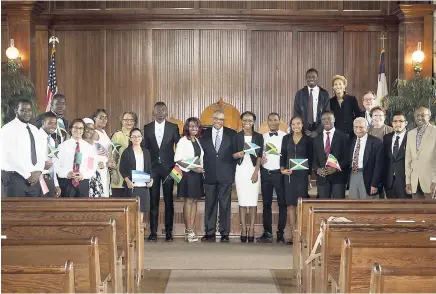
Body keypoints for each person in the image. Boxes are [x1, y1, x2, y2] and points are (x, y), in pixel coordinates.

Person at [143, 102, 181, 241]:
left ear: (166, 112)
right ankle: (153, 232)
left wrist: (178, 167)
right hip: (152, 169)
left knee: (168, 200)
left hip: (169, 168)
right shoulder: (147, 128)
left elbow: (180, 147)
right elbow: (145, 149)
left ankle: (169, 232)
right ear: (153, 111)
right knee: (153, 201)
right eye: (158, 110)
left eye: (163, 110)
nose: (160, 112)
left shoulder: (173, 127)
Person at [200, 109, 236, 243]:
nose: (219, 121)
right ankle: (209, 233)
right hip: (208, 174)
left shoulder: (232, 134)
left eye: (222, 119)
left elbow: (235, 155)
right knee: (210, 205)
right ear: (212, 119)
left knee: (225, 205)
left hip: (225, 175)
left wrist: (233, 175)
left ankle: (225, 233)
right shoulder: (203, 133)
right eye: (216, 118)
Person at [1, 99, 46, 197]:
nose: (27, 113)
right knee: (14, 211)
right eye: (23, 110)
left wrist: (38, 170)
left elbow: (42, 153)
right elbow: (9, 156)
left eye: (29, 110)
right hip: (14, 179)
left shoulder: (34, 130)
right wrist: (27, 174)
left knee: (33, 211)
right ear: (16, 110)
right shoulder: (7, 129)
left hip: (34, 180)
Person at [280, 116, 313, 244]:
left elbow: (311, 158)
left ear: (302, 124)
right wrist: (282, 169)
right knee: (291, 204)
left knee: (301, 204)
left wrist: (309, 177)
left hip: (302, 176)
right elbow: (283, 154)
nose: (296, 126)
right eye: (293, 124)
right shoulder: (286, 138)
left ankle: (301, 234)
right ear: (291, 126)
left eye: (298, 123)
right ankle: (294, 234)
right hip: (289, 174)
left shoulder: (308, 139)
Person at [232, 111, 263, 243]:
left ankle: (251, 229)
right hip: (240, 170)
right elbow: (232, 155)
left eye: (250, 121)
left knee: (253, 200)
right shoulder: (237, 136)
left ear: (253, 122)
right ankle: (243, 229)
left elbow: (260, 155)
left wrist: (256, 171)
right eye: (245, 120)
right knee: (243, 201)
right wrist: (237, 155)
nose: (247, 123)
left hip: (253, 169)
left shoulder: (258, 136)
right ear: (241, 121)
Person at [257, 113, 287, 243]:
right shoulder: (262, 137)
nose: (273, 122)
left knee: (282, 204)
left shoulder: (285, 137)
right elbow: (259, 154)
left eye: (275, 120)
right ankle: (267, 232)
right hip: (265, 173)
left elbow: (287, 154)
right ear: (267, 122)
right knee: (266, 204)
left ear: (279, 121)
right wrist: (261, 159)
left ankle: (280, 233)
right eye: (270, 120)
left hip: (279, 174)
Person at [174, 117, 205, 243]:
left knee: (195, 201)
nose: (193, 128)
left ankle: (191, 230)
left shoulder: (196, 140)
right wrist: (193, 168)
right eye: (191, 126)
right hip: (187, 174)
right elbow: (178, 159)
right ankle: (188, 231)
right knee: (189, 200)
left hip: (197, 175)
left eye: (196, 126)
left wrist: (200, 169)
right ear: (187, 127)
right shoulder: (183, 141)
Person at [119, 128, 154, 228]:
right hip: (132, 186)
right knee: (132, 211)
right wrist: (127, 181)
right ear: (130, 138)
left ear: (142, 138)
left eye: (138, 136)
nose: (136, 138)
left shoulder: (146, 152)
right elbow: (122, 168)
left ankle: (138, 233)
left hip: (143, 186)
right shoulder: (127, 152)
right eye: (133, 136)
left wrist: (151, 179)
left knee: (141, 210)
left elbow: (149, 169)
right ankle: (131, 235)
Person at [55, 118, 97, 197]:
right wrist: (66, 174)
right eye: (75, 127)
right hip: (66, 182)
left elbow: (92, 167)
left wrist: (83, 175)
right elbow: (57, 165)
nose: (78, 130)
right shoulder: (62, 147)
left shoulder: (89, 148)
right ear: (71, 129)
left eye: (81, 128)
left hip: (83, 182)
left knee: (83, 208)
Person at [312, 111, 349, 199]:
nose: (326, 121)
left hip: (338, 178)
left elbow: (347, 158)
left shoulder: (344, 137)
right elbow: (314, 159)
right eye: (323, 119)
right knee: (323, 208)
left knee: (338, 207)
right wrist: (317, 169)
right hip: (322, 178)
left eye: (329, 118)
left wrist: (335, 168)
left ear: (334, 119)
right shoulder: (316, 139)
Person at [349, 117, 384, 199]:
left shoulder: (376, 142)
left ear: (367, 128)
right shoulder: (351, 141)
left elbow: (379, 166)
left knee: (368, 206)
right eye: (356, 127)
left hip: (368, 178)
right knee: (354, 205)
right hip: (353, 175)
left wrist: (375, 184)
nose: (358, 129)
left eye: (361, 127)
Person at [405, 107, 436, 199]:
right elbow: (408, 160)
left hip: (431, 183)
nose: (419, 118)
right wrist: (408, 181)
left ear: (429, 116)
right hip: (415, 184)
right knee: (416, 212)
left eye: (423, 115)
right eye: (417, 115)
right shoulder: (410, 133)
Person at [293, 68, 330, 138]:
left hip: (319, 132)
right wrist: (303, 130)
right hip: (303, 132)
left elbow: (326, 114)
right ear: (306, 78)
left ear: (317, 78)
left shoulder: (324, 94)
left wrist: (317, 131)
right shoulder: (300, 94)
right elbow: (296, 113)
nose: (311, 79)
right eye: (309, 77)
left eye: (313, 77)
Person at [383, 111, 410, 199]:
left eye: (401, 121)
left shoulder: (411, 137)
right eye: (395, 121)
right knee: (391, 210)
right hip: (389, 182)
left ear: (406, 123)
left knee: (406, 210)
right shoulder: (387, 138)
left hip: (405, 183)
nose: (397, 123)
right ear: (392, 123)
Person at [111, 111, 138, 197]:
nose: (129, 122)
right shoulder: (117, 135)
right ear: (122, 121)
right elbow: (113, 155)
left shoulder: (138, 136)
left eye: (131, 120)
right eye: (126, 119)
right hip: (119, 174)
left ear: (135, 122)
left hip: (134, 176)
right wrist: (114, 173)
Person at [39, 112, 61, 197]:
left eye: (55, 123)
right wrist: (41, 166)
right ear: (43, 123)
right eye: (50, 123)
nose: (53, 126)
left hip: (50, 180)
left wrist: (56, 184)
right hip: (39, 179)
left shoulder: (51, 140)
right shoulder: (36, 137)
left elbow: (53, 163)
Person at [83, 118, 105, 198]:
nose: (89, 131)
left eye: (92, 129)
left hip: (94, 178)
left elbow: (104, 159)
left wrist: (102, 163)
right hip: (82, 177)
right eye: (86, 128)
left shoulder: (97, 145)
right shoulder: (78, 143)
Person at [93, 109, 113, 197]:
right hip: (98, 167)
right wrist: (104, 163)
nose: (104, 120)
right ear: (95, 118)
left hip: (105, 168)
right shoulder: (94, 133)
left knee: (105, 193)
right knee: (99, 193)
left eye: (105, 118)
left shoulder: (103, 132)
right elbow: (93, 152)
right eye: (101, 118)